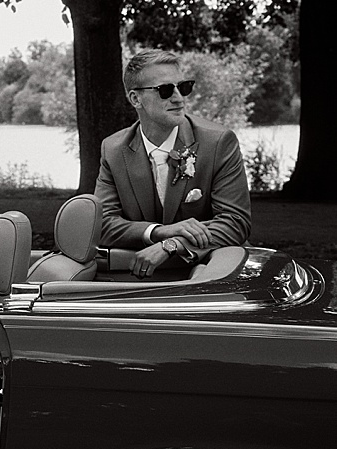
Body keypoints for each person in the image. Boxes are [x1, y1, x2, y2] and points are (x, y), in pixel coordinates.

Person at [94, 49, 251, 278]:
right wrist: (158, 232)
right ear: (135, 99)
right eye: (165, 90)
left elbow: (235, 222)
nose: (179, 98)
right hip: (141, 278)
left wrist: (172, 244)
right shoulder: (113, 149)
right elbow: (103, 223)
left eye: (183, 87)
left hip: (209, 276)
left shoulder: (218, 142)